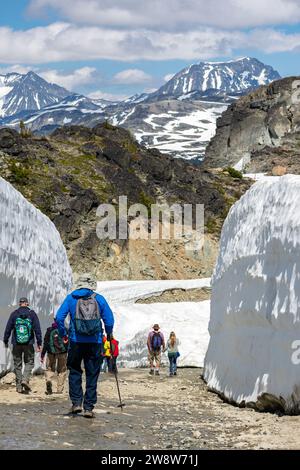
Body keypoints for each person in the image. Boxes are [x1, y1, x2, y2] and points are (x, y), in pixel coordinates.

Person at [56, 273, 114, 418]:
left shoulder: (71, 298)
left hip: (76, 341)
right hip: (95, 342)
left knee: (75, 370)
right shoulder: (99, 299)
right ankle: (88, 408)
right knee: (92, 373)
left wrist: (64, 334)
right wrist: (109, 334)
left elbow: (59, 317)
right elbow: (109, 320)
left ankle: (76, 403)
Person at [3, 297, 42, 393]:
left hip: (16, 343)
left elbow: (8, 328)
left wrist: (5, 340)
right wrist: (39, 343)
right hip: (29, 343)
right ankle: (25, 379)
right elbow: (37, 329)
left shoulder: (14, 314)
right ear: (27, 303)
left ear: (19, 304)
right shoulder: (32, 314)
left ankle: (19, 386)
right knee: (29, 362)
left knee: (17, 364)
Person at [40, 320, 68, 395]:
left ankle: (48, 380)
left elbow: (45, 343)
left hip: (51, 353)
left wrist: (42, 355)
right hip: (62, 353)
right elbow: (69, 342)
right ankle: (59, 389)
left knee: (49, 368)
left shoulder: (49, 330)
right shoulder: (65, 330)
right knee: (62, 370)